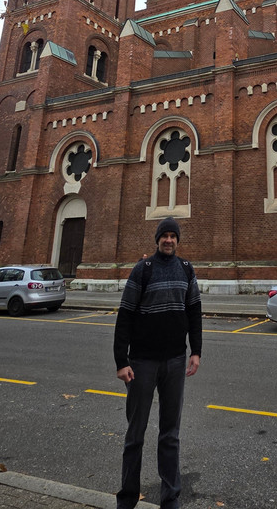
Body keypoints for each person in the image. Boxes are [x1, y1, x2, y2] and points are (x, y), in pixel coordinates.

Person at [114, 217, 202, 509]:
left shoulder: (187, 270)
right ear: (157, 240)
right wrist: (121, 360)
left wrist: (196, 351)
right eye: (164, 235)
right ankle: (127, 499)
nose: (168, 240)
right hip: (142, 362)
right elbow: (125, 315)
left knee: (170, 435)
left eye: (172, 236)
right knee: (135, 434)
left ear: (178, 240)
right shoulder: (143, 270)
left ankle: (171, 498)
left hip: (175, 361)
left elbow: (194, 312)